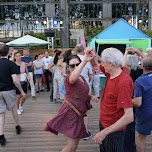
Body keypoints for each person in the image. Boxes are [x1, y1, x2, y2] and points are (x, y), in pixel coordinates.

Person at [45, 48, 98, 152]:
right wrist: (84, 61)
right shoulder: (69, 78)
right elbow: (73, 79)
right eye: (72, 66)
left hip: (79, 114)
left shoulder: (82, 78)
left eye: (77, 65)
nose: (75, 67)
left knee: (74, 145)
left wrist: (90, 96)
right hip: (71, 113)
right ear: (68, 67)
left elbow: (82, 92)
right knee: (71, 146)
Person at [94, 47, 134, 152]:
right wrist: (90, 58)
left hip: (113, 130)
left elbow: (129, 116)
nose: (101, 64)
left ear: (110, 64)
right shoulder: (111, 72)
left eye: (102, 62)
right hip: (104, 123)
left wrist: (105, 132)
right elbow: (95, 66)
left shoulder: (123, 83)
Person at [0, 44, 26, 146]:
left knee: (1, 114)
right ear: (8, 53)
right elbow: (15, 80)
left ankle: (1, 136)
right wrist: (22, 91)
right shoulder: (11, 65)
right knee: (13, 109)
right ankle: (17, 126)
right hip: (9, 90)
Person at [132, 54, 152, 152]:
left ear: (142, 66)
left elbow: (137, 102)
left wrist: (125, 100)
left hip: (145, 114)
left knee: (141, 137)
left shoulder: (140, 81)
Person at [75, 44, 93, 140]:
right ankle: (85, 132)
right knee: (85, 111)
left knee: (75, 110)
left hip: (74, 89)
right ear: (83, 50)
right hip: (85, 89)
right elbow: (90, 75)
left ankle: (76, 130)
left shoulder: (72, 59)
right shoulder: (87, 61)